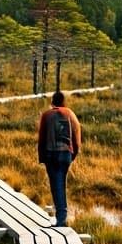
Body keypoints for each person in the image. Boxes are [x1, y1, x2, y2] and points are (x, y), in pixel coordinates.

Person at [37, 91, 81, 227]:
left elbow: (42, 138)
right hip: (66, 153)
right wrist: (74, 154)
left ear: (52, 102)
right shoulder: (70, 114)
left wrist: (42, 157)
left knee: (55, 185)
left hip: (50, 154)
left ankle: (61, 218)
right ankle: (61, 216)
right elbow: (77, 134)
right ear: (63, 101)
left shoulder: (46, 115)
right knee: (60, 183)